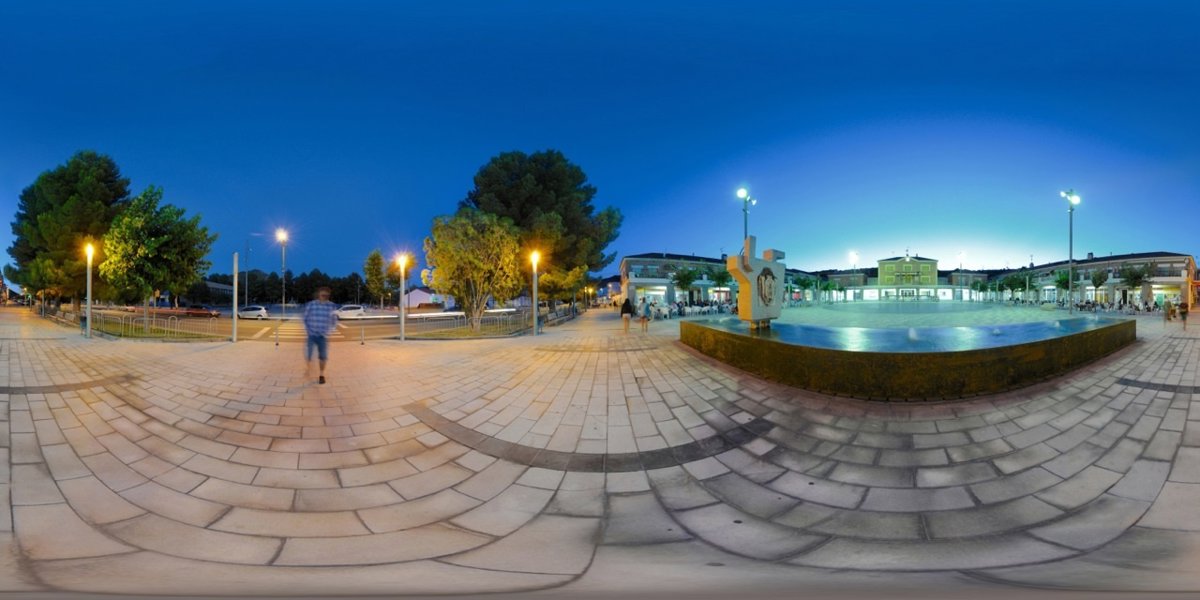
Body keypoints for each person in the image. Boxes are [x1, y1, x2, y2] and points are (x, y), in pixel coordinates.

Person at [303, 286, 338, 384]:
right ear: (319, 294)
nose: (324, 297)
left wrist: (329, 332)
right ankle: (308, 368)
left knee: (323, 357)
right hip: (312, 334)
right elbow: (305, 318)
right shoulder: (311, 305)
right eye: (323, 295)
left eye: (326, 295)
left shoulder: (332, 306)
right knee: (308, 355)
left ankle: (321, 375)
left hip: (323, 336)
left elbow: (334, 321)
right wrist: (308, 331)